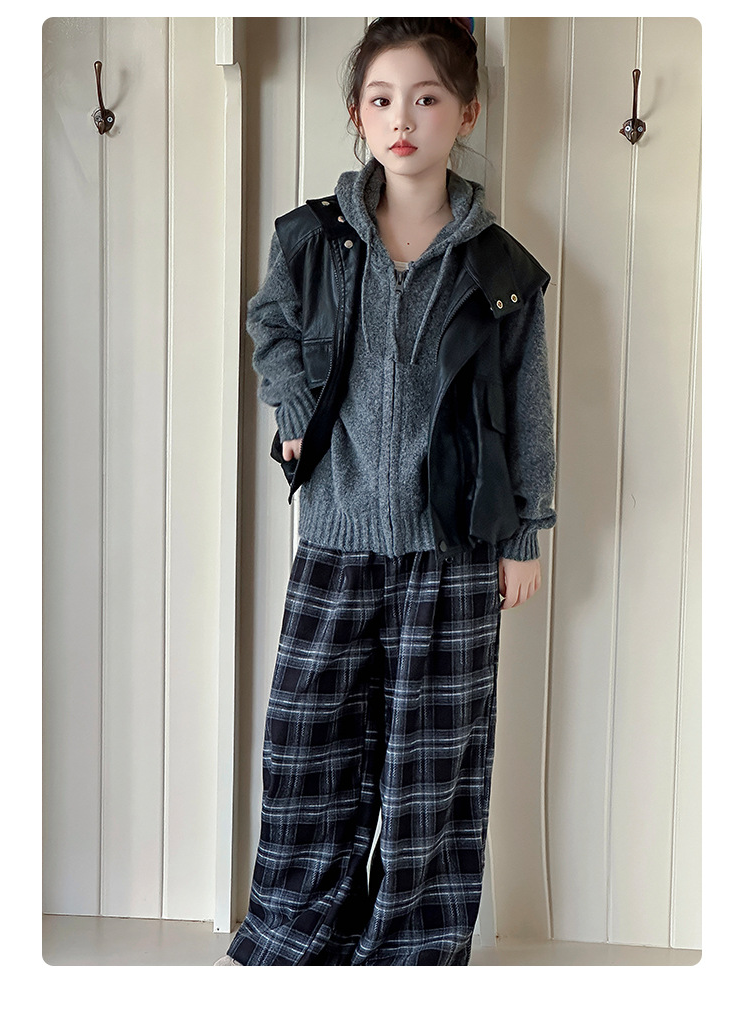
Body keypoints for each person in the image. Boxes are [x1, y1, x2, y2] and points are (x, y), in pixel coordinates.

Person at [217, 16, 556, 967]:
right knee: (309, 751)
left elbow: (527, 407)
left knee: (430, 775)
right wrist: (291, 403)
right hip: (335, 535)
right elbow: (270, 323)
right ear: (357, 114)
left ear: (466, 113)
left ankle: (411, 956)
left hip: (454, 548)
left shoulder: (502, 270)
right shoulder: (313, 238)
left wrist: (525, 532)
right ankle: (295, 937)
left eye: (426, 98)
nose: (402, 119)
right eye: (381, 99)